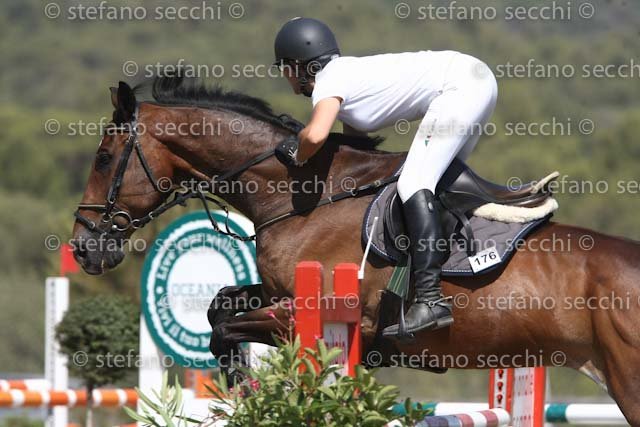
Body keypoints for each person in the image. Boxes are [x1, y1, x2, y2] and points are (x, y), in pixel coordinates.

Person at [272, 17, 498, 336]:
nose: (285, 76)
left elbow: (316, 134)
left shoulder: (328, 81)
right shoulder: (344, 78)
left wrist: (297, 152)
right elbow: (356, 149)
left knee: (413, 182)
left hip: (462, 86)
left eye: (285, 68)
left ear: (300, 65)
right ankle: (445, 275)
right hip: (476, 80)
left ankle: (431, 300)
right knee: (437, 183)